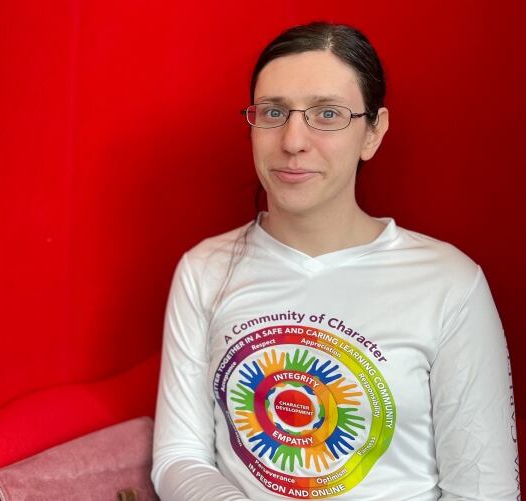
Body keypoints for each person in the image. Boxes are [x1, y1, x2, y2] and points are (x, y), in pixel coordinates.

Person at [151, 22, 519, 500]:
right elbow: (179, 455)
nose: (293, 140)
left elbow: (483, 489)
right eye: (273, 112)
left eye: (327, 113)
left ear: (373, 132)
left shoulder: (450, 283)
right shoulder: (204, 270)